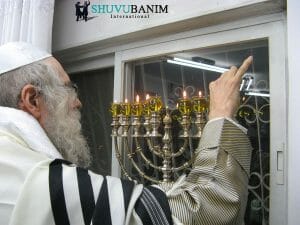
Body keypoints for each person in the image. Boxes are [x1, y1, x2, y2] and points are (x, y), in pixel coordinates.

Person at [0, 42, 252, 225]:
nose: (77, 102)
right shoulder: (42, 182)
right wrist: (221, 116)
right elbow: (205, 213)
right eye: (68, 89)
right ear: (32, 99)